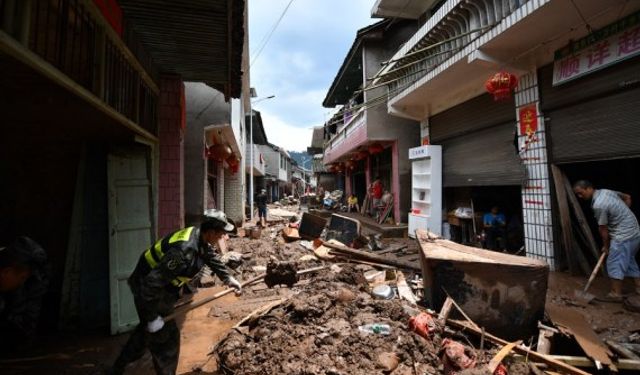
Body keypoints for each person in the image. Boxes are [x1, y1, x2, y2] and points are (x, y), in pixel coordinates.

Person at [109, 209, 242, 375]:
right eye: (221, 234)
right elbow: (150, 285)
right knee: (167, 340)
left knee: (145, 334)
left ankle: (117, 368)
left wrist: (227, 278)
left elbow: (207, 255)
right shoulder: (183, 252)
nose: (224, 237)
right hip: (148, 286)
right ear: (210, 232)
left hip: (160, 286)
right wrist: (152, 317)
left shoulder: (198, 236)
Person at [574, 180, 640, 302]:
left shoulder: (599, 205)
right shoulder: (606, 192)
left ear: (589, 188)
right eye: (577, 194)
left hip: (623, 236)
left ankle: (616, 293)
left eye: (581, 193)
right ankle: (639, 288)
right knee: (629, 259)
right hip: (635, 232)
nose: (580, 197)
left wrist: (606, 246)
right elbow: (627, 197)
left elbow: (603, 229)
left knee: (614, 262)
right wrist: (622, 215)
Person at [0, 237, 49, 354]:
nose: (21, 283)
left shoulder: (33, 280)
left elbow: (30, 313)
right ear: (7, 271)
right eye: (21, 278)